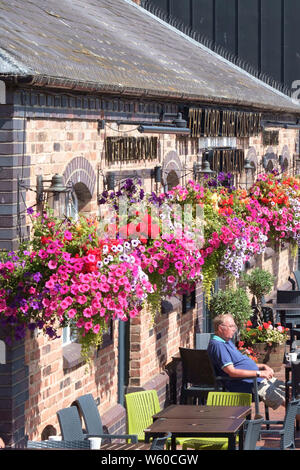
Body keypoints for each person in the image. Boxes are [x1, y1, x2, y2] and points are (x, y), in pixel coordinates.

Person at [207, 313, 286, 410]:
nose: (234, 329)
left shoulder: (226, 342)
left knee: (288, 391)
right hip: (245, 384)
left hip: (255, 379)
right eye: (231, 326)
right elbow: (232, 372)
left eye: (234, 326)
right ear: (220, 328)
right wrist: (259, 373)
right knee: (283, 399)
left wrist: (262, 366)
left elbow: (240, 364)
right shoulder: (218, 345)